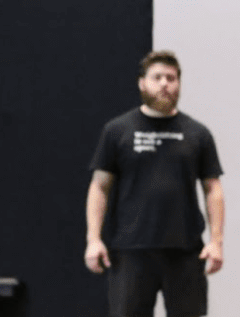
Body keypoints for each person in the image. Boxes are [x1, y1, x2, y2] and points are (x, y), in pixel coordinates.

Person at [85, 50, 225, 317]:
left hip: (185, 251)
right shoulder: (117, 130)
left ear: (179, 84)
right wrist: (93, 239)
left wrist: (216, 242)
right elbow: (99, 186)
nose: (164, 84)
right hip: (130, 251)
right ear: (142, 83)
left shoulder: (197, 133)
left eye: (171, 78)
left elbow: (213, 189)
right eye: (157, 77)